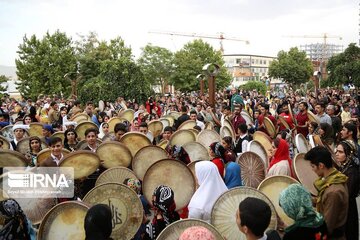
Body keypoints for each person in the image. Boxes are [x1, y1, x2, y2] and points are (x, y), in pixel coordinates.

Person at [304, 146, 348, 239]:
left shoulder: (333, 192)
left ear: (321, 165)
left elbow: (326, 227)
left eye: (313, 166)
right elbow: (324, 201)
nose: (312, 169)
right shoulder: (335, 177)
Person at [335, 141, 360, 239]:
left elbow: (346, 194)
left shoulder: (352, 172)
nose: (337, 154)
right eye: (336, 151)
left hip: (348, 209)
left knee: (348, 232)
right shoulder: (345, 167)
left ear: (349, 154)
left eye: (340, 152)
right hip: (346, 206)